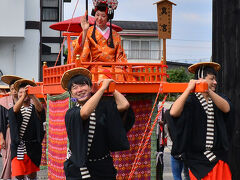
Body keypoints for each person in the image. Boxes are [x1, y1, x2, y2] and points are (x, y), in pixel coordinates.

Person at [61, 67, 135, 179]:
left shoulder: (103, 107)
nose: (79, 90)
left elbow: (124, 105)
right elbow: (85, 113)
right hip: (80, 168)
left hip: (104, 165)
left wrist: (111, 88)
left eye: (82, 85)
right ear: (71, 93)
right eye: (74, 88)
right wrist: (102, 89)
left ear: (91, 87)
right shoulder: (71, 113)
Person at [166, 62, 234, 180]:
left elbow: (227, 108)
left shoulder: (218, 98)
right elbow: (173, 112)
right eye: (211, 79)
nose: (215, 82)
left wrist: (208, 91)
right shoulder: (190, 100)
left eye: (215, 79)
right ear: (201, 79)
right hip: (196, 159)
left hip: (218, 157)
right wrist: (188, 89)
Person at [72, 0, 128, 81]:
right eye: (97, 15)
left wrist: (120, 66)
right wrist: (84, 31)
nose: (99, 18)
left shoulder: (115, 35)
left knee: (120, 74)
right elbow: (79, 48)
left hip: (113, 67)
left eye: (103, 16)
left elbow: (120, 56)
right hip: (95, 67)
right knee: (101, 76)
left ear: (108, 18)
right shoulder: (89, 31)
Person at [8, 79, 45, 180]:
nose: (23, 93)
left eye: (26, 91)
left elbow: (41, 109)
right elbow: (15, 110)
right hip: (18, 146)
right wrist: (24, 95)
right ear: (18, 94)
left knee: (32, 175)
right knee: (18, 174)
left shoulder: (36, 108)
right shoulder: (13, 109)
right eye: (20, 92)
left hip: (33, 147)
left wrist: (32, 94)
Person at [0, 75, 23, 180]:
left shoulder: (25, 101)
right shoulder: (3, 102)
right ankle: (9, 176)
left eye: (16, 89)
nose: (14, 91)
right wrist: (1, 137)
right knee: (9, 154)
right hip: (9, 132)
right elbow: (0, 122)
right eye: (12, 88)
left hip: (22, 131)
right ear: (9, 89)